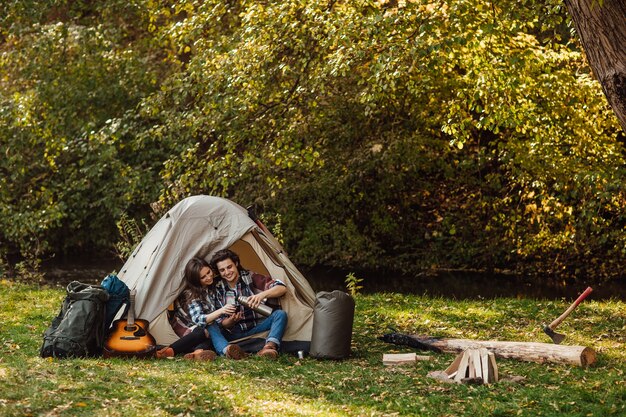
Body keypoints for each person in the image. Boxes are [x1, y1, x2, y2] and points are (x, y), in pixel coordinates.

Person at [203, 249, 289, 360]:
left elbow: (281, 288)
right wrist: (229, 322)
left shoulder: (250, 277)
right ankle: (228, 351)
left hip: (256, 328)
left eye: (229, 267)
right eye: (222, 270)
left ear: (236, 264)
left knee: (280, 314)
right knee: (209, 324)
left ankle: (269, 348)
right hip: (232, 333)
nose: (227, 272)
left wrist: (261, 295)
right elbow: (219, 321)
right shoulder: (216, 287)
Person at [156, 257, 237, 361]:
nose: (208, 277)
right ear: (197, 280)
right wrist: (222, 311)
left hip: (208, 328)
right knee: (203, 331)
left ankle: (197, 353)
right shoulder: (191, 294)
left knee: (211, 333)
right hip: (188, 326)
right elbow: (199, 320)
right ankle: (170, 351)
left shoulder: (212, 287)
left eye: (208, 272)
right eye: (203, 277)